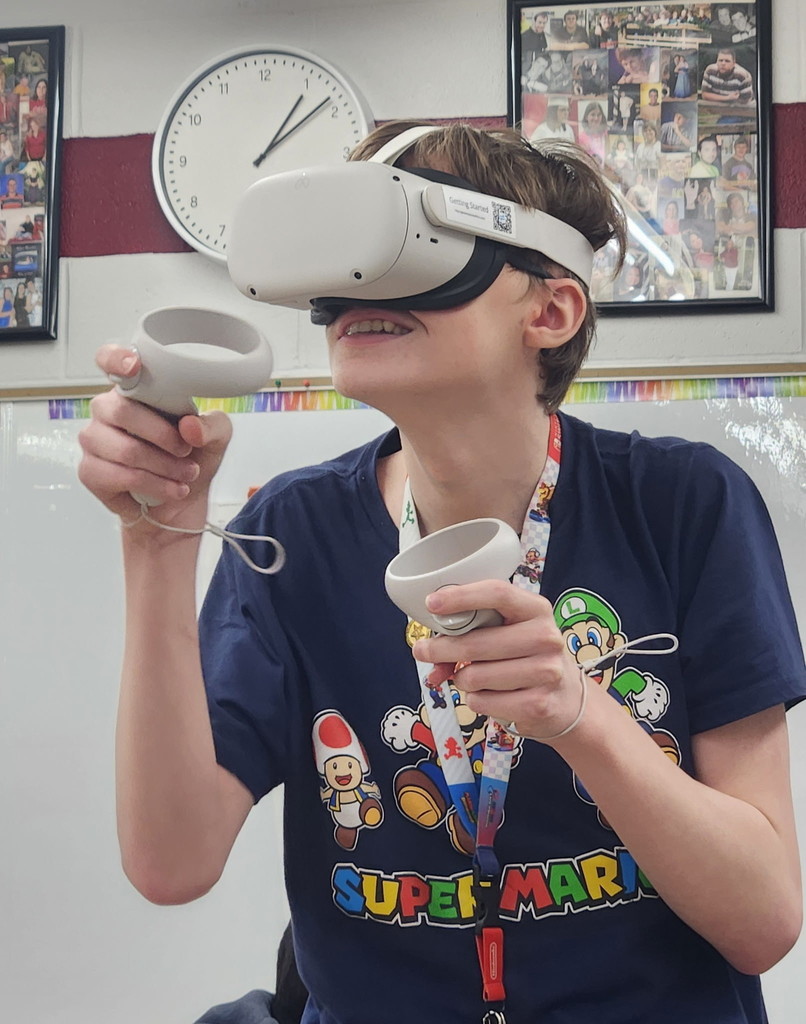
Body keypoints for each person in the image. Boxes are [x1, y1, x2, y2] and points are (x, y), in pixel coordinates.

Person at [76, 120, 805, 1024]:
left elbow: (765, 918)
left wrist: (582, 718)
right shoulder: (294, 531)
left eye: (413, 249)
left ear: (551, 310)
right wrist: (156, 543)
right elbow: (170, 863)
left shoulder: (683, 506)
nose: (360, 290)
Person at [576, 100, 608, 164]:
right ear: (586, 117)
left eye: (599, 115)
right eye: (593, 115)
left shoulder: (606, 134)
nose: (596, 118)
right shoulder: (581, 137)